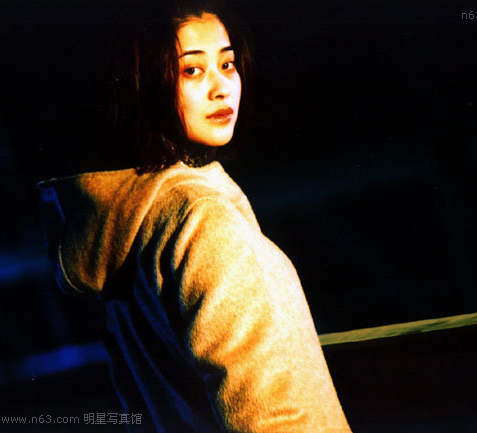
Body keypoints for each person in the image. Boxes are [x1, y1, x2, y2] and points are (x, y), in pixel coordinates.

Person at [38, 1, 352, 431]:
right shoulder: (202, 222)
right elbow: (273, 417)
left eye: (227, 63)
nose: (222, 88)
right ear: (141, 84)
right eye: (192, 70)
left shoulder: (129, 222)